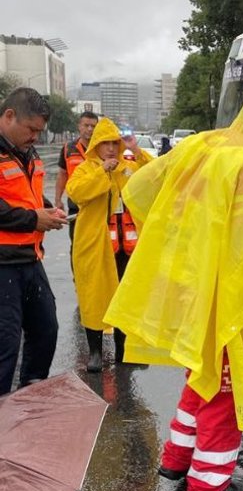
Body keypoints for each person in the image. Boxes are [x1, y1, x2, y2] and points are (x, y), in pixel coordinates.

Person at [103, 63, 243, 491]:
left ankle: (177, 459)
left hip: (192, 284)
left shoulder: (205, 143)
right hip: (228, 295)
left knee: (204, 376)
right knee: (227, 387)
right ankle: (209, 485)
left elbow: (141, 188)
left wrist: (184, 242)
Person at [66, 117, 152, 372]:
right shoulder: (86, 169)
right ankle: (95, 353)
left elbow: (155, 175)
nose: (112, 149)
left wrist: (135, 150)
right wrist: (102, 171)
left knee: (126, 299)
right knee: (94, 298)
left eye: (115, 143)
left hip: (127, 248)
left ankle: (124, 351)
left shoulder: (128, 167)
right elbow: (76, 192)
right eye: (106, 144)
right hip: (97, 247)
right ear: (96, 146)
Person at [0, 88, 67, 394]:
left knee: (45, 330)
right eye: (31, 130)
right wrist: (33, 219)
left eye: (40, 131)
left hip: (30, 258)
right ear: (9, 116)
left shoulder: (27, 152)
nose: (36, 138)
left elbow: (28, 195)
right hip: (3, 264)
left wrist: (47, 209)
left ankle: (30, 393)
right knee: (6, 343)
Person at [54, 110, 97, 243]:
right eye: (86, 125)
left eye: (93, 126)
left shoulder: (101, 148)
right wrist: (58, 199)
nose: (89, 129)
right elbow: (62, 174)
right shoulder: (68, 148)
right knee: (77, 243)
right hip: (75, 206)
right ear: (79, 126)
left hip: (97, 205)